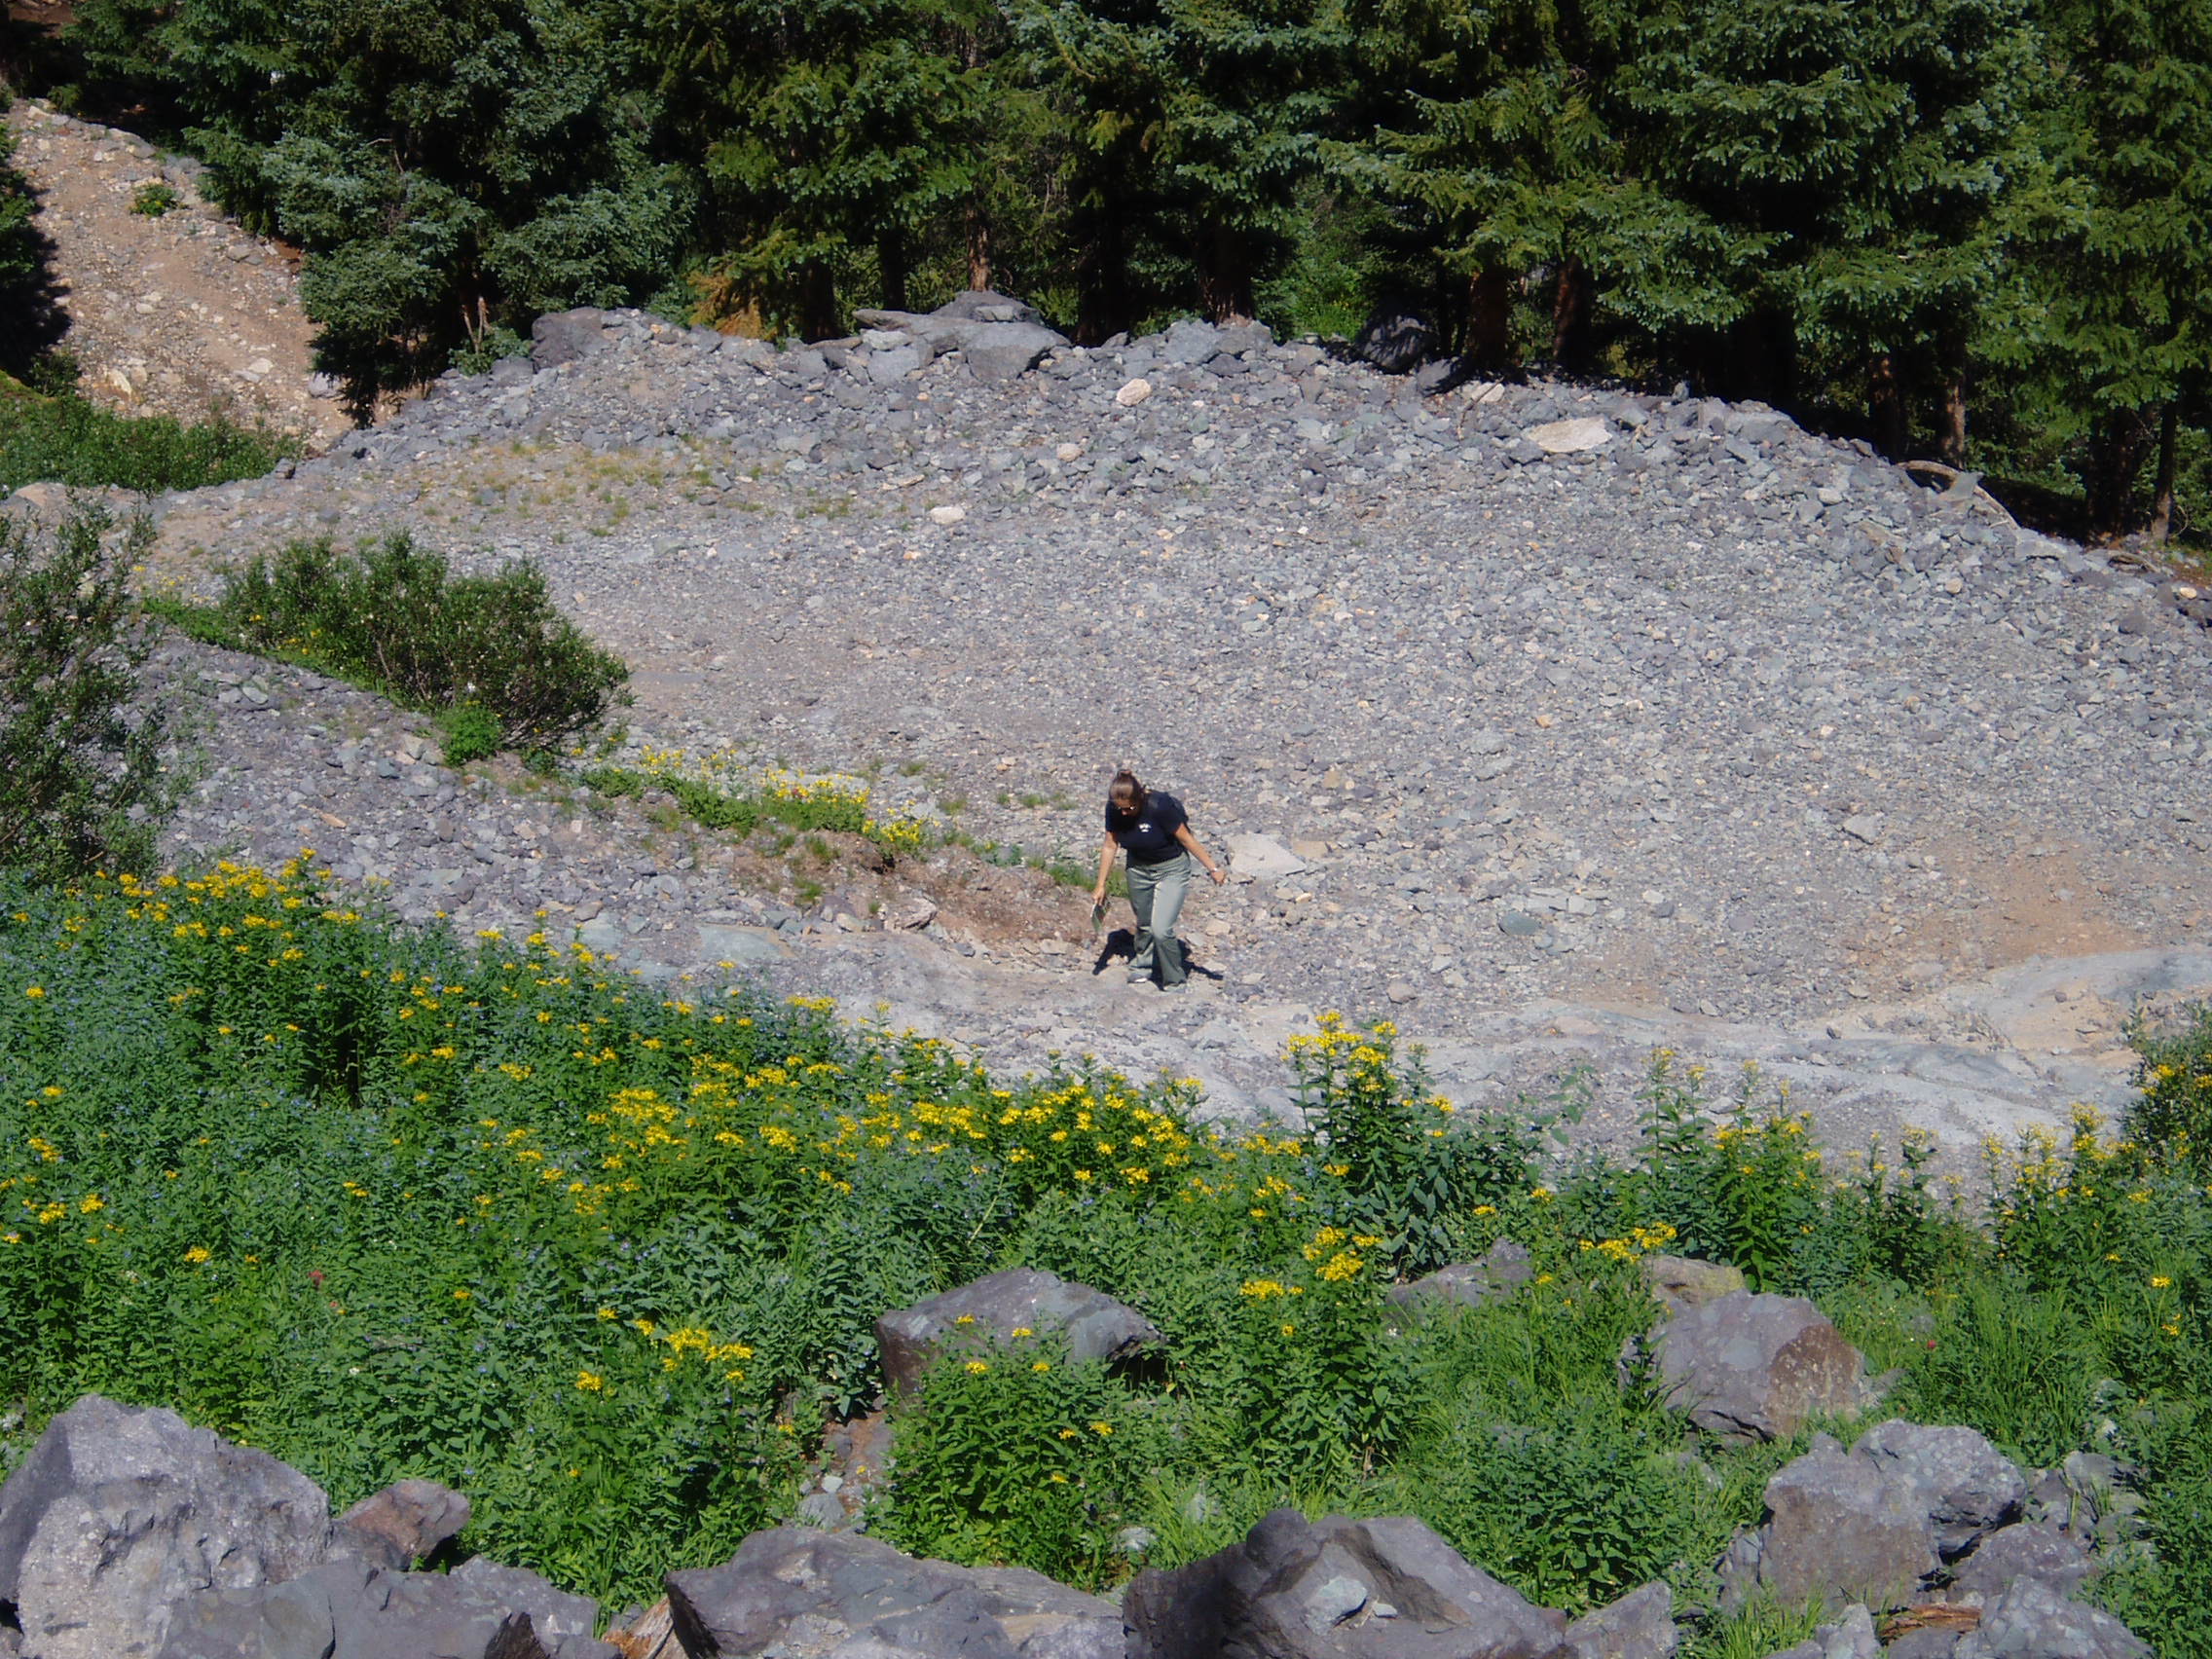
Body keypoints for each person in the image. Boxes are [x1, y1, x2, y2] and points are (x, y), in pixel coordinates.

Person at [1091, 769, 1226, 991]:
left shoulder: (1159, 806)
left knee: (1161, 929)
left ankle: (1174, 980)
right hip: (1138, 869)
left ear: (1139, 798)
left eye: (1129, 808)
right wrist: (1100, 885)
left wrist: (1213, 868)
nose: (1124, 813)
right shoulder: (1114, 809)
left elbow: (1187, 839)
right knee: (1144, 922)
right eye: (1120, 809)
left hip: (1171, 868)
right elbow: (1110, 845)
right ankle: (1143, 964)